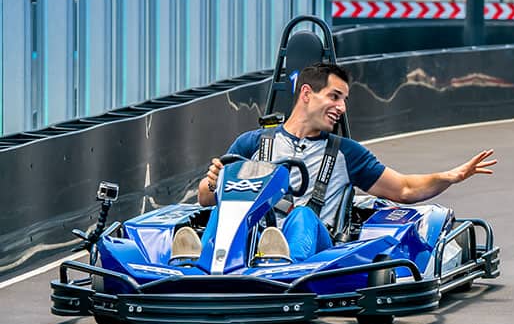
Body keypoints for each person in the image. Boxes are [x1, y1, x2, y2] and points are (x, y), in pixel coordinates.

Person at [176, 61, 497, 263]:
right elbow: (205, 197)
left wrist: (450, 176)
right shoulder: (252, 143)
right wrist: (214, 183)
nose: (341, 107)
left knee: (302, 214)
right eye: (334, 96)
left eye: (344, 100)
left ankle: (281, 264)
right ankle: (199, 265)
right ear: (306, 94)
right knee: (222, 211)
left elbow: (404, 189)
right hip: (250, 239)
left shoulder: (347, 153)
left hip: (315, 250)